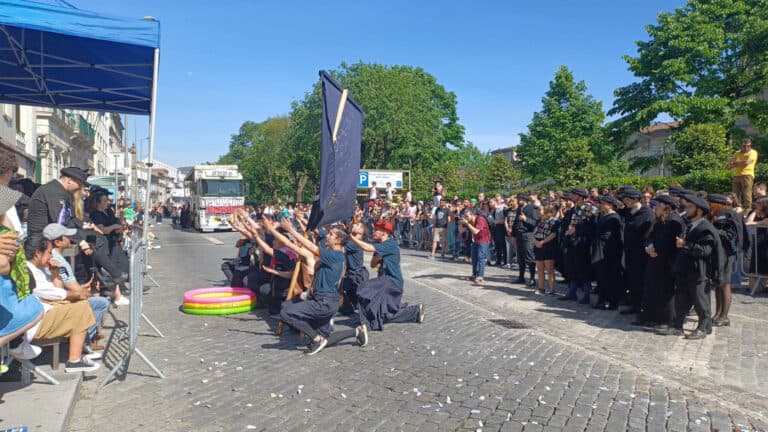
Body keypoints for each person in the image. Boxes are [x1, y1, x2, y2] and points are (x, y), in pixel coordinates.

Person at [26, 167, 127, 284]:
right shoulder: (54, 192)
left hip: (55, 231)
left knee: (97, 238)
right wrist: (81, 241)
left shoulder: (62, 192)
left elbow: (71, 218)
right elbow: (60, 221)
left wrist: (87, 225)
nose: (80, 187)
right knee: (95, 240)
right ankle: (111, 274)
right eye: (79, 183)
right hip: (44, 236)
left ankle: (100, 277)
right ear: (69, 180)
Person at [279, 224, 369, 355]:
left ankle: (316, 339)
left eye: (331, 234)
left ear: (338, 240)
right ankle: (357, 331)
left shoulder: (335, 255)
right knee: (326, 337)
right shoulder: (334, 255)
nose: (328, 235)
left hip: (324, 301)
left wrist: (291, 230)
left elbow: (311, 247)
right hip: (328, 300)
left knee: (286, 312)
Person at [25, 237, 100, 372]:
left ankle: (79, 349)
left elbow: (56, 291)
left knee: (80, 304)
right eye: (49, 252)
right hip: (35, 321)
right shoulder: (29, 271)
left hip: (42, 312)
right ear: (37, 253)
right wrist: (78, 294)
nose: (51, 256)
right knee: (81, 307)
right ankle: (74, 360)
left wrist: (55, 273)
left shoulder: (38, 269)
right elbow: (55, 293)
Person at [661, 194, 722, 340]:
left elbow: (705, 251)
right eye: (686, 206)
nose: (686, 209)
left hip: (698, 271)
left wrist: (684, 245)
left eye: (690, 207)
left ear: (699, 211)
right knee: (682, 299)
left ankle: (703, 328)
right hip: (686, 269)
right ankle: (677, 326)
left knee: (700, 300)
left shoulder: (705, 228)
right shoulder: (691, 225)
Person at [43, 223, 109, 353]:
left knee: (92, 298)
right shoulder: (58, 260)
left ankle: (84, 338)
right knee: (102, 303)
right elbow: (74, 289)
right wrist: (89, 292)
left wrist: (84, 287)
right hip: (59, 303)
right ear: (58, 242)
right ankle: (84, 340)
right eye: (67, 236)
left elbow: (70, 286)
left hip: (57, 298)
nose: (70, 238)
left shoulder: (54, 257)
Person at [350, 220, 424, 330]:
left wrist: (351, 236)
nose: (373, 232)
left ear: (384, 232)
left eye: (376, 230)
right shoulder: (380, 246)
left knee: (364, 288)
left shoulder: (390, 244)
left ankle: (366, 323)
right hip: (384, 281)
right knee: (384, 313)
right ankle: (415, 312)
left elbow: (367, 248)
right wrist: (378, 256)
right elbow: (372, 264)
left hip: (392, 282)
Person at [638, 195, 685, 329]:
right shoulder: (659, 220)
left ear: (666, 207)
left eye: (658, 205)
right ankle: (650, 317)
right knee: (652, 288)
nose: (655, 207)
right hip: (654, 258)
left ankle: (666, 319)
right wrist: (648, 247)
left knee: (665, 291)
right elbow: (649, 236)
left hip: (667, 260)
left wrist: (657, 250)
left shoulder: (674, 221)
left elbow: (670, 242)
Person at [707, 194, 742, 327]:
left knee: (725, 284)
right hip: (718, 253)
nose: (709, 206)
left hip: (726, 253)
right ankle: (717, 313)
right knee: (717, 284)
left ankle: (724, 316)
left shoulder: (727, 214)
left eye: (710, 203)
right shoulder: (715, 214)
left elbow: (730, 235)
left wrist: (714, 230)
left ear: (716, 204)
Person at [618, 188, 654, 315]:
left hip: (640, 253)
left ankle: (642, 306)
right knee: (632, 278)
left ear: (635, 199)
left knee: (640, 279)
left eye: (627, 200)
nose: (625, 202)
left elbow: (646, 233)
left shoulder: (646, 212)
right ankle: (634, 303)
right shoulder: (630, 211)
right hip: (629, 251)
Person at [560, 188, 597, 303]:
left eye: (574, 194)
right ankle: (572, 292)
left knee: (584, 269)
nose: (571, 196)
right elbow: (566, 223)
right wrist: (567, 232)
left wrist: (576, 230)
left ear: (580, 196)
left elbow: (591, 227)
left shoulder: (590, 209)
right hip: (571, 243)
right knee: (571, 268)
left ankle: (586, 295)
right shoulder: (572, 210)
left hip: (582, 243)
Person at [591, 195, 624, 310]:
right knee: (602, 277)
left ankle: (612, 302)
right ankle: (602, 299)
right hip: (601, 250)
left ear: (610, 205)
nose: (600, 206)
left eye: (603, 203)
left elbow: (608, 236)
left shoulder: (614, 218)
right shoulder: (603, 216)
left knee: (610, 278)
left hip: (608, 253)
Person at [339, 222, 369, 315]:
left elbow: (340, 246)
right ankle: (349, 307)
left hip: (357, 275)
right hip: (351, 273)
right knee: (350, 296)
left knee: (362, 300)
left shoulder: (356, 243)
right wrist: (345, 230)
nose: (356, 224)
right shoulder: (352, 239)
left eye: (358, 225)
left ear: (362, 231)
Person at [533, 203, 559, 295]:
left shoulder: (555, 221)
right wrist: (535, 241)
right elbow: (534, 233)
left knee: (549, 269)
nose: (538, 212)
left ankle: (552, 289)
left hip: (548, 246)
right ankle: (541, 288)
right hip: (538, 246)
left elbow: (554, 234)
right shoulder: (539, 221)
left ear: (547, 211)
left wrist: (542, 242)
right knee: (540, 268)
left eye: (540, 210)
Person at [513, 194, 539, 286]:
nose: (517, 201)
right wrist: (513, 235)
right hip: (519, 235)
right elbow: (516, 222)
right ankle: (521, 277)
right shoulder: (519, 209)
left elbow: (535, 222)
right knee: (520, 258)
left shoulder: (532, 208)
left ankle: (532, 278)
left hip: (528, 235)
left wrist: (525, 219)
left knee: (529, 257)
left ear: (524, 199)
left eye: (519, 199)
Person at [727, 137, 758, 210]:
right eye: (744, 146)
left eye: (749, 146)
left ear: (751, 146)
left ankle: (748, 210)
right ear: (741, 146)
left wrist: (735, 163)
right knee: (735, 195)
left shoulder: (753, 152)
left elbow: (746, 163)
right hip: (736, 175)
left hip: (747, 175)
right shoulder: (737, 153)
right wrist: (738, 163)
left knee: (747, 194)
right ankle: (736, 210)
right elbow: (730, 164)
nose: (746, 148)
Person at [462, 207, 491, 284]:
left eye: (467, 216)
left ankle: (480, 277)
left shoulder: (480, 219)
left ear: (472, 215)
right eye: (465, 216)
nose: (466, 218)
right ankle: (474, 275)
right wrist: (460, 223)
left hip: (484, 240)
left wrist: (467, 224)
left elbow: (476, 231)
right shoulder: (470, 220)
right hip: (476, 240)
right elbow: (461, 231)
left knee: (481, 257)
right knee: (474, 258)